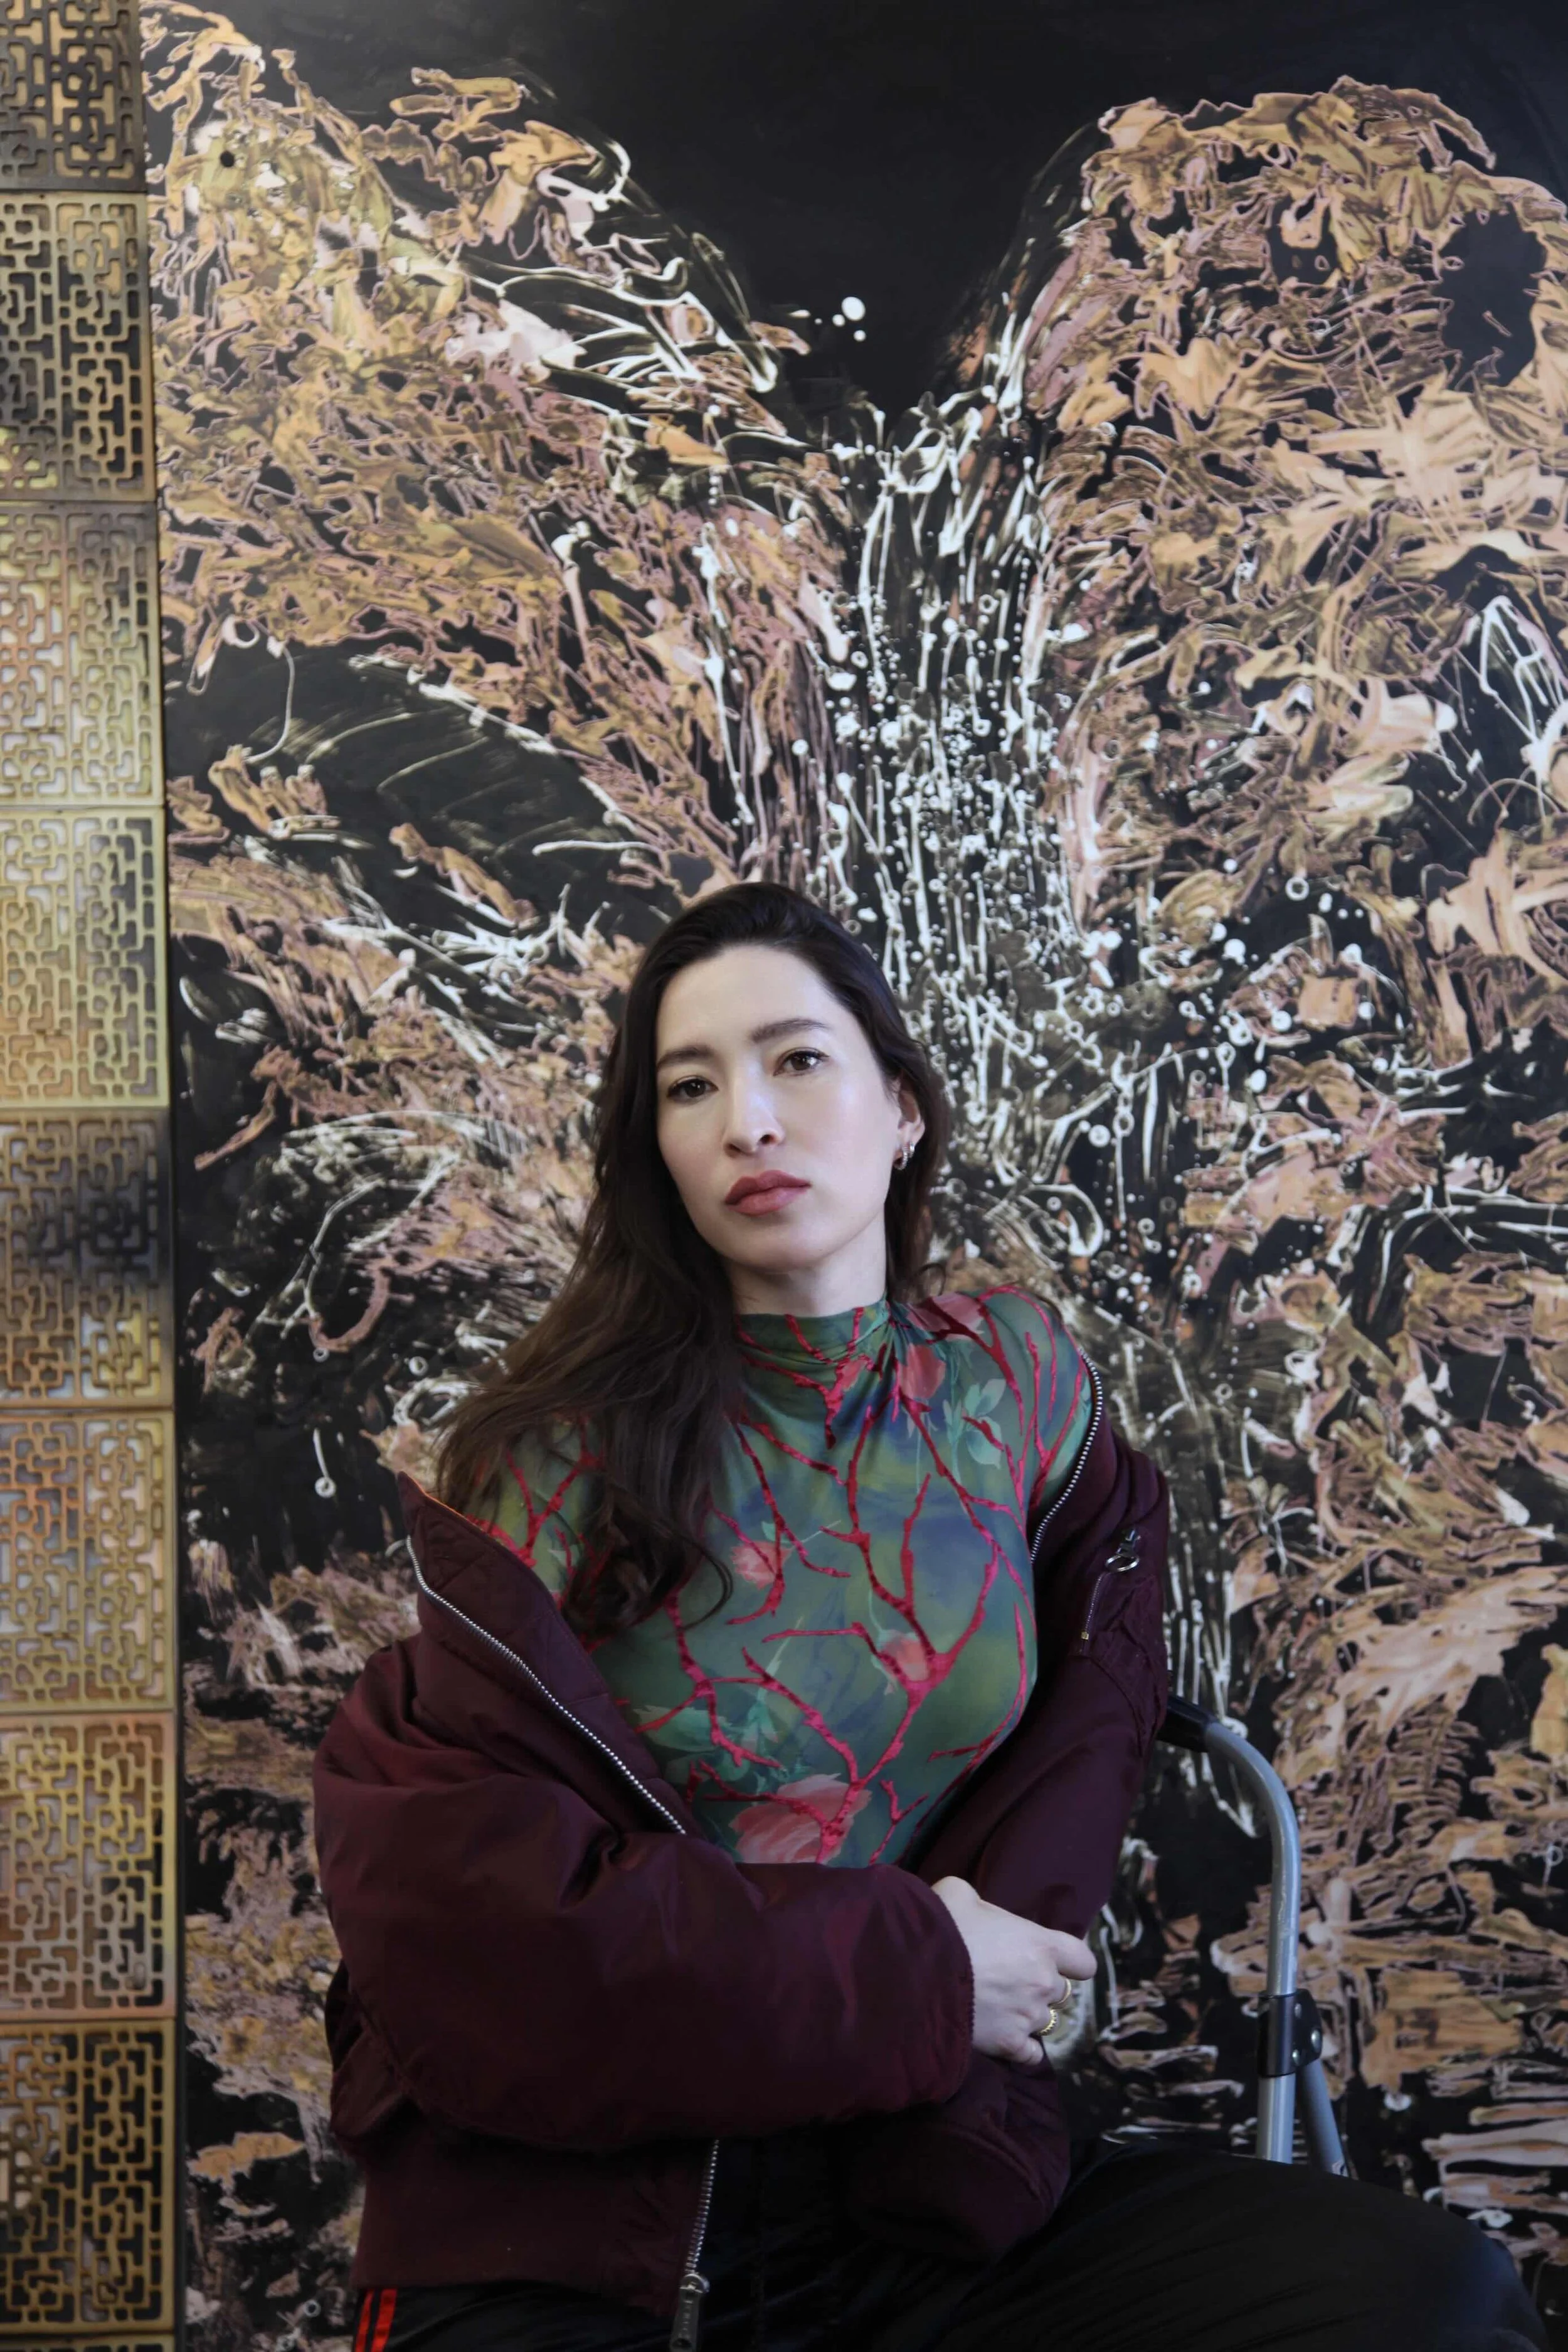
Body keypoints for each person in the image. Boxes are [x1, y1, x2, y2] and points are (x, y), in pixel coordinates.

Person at [313, 883, 1545, 2352]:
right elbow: (478, 1917)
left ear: (900, 1108)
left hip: (917, 2176)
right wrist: (930, 1969)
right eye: (689, 1086)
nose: (746, 1121)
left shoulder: (1009, 1384)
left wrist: (1026, 1967)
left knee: (1430, 2298)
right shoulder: (559, 1452)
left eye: (794, 1059)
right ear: (656, 1147)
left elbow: (1095, 1687)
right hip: (608, 2215)